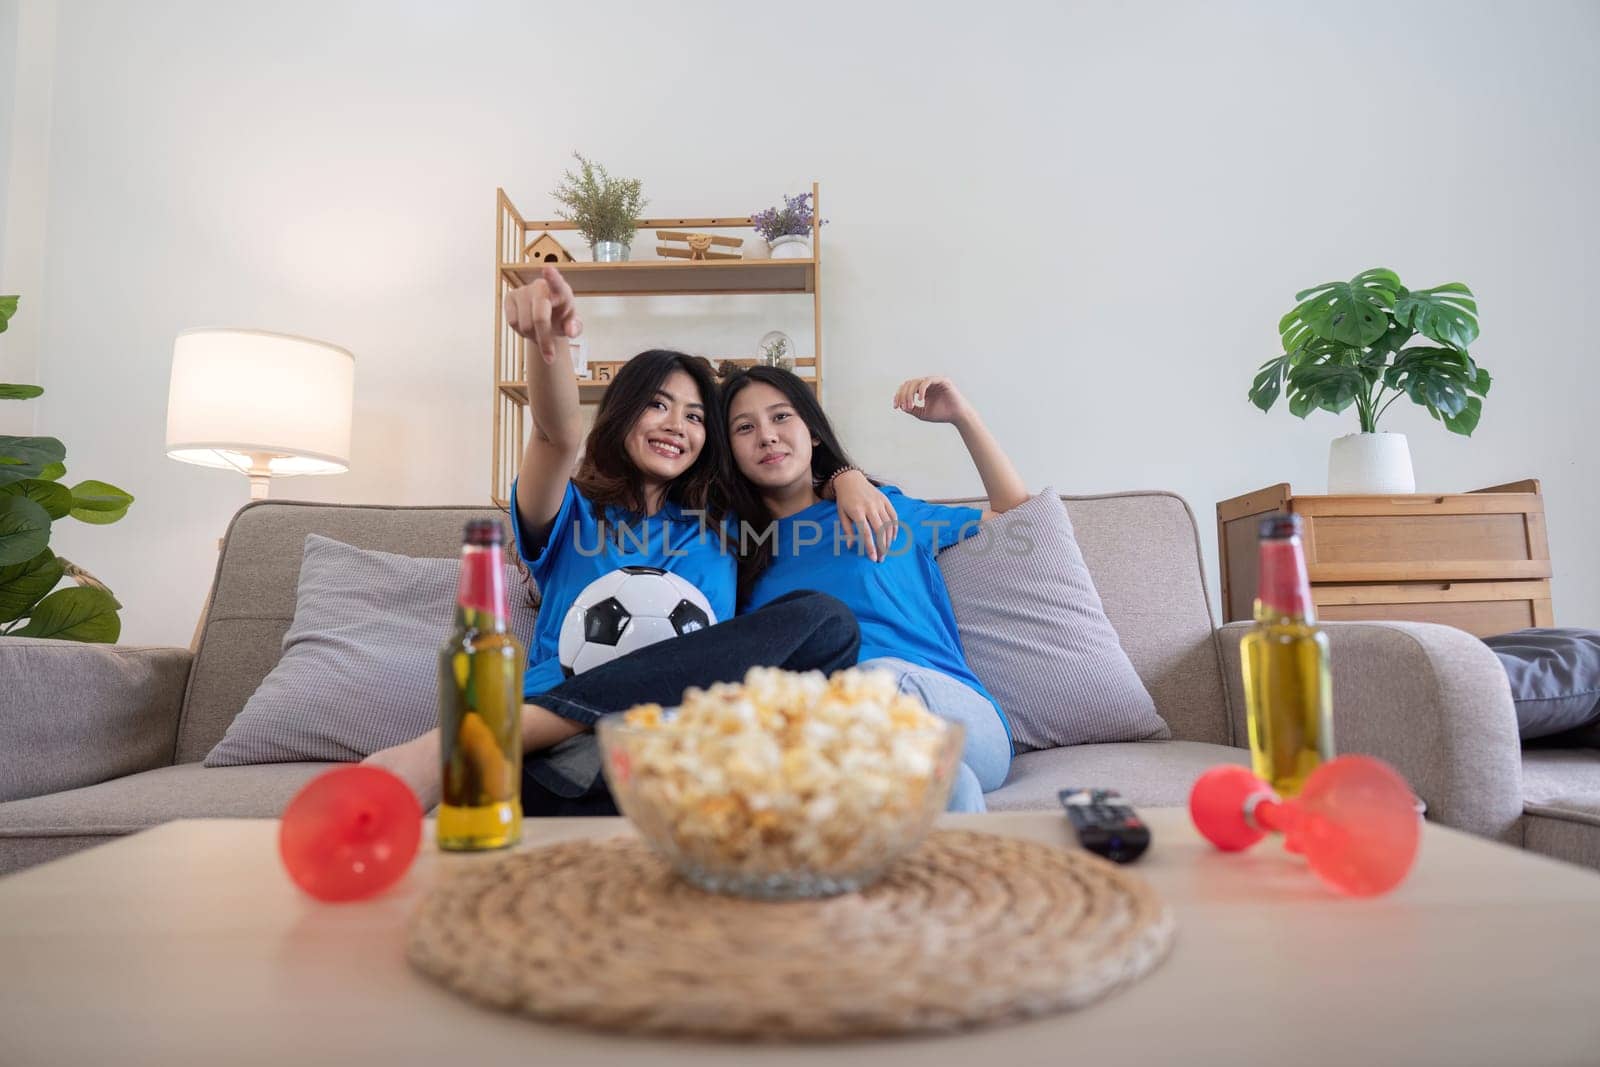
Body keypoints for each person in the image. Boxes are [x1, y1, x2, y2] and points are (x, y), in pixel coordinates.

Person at [367, 266, 887, 815]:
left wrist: (845, 475)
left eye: (694, 416)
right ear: (622, 412)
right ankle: (488, 740)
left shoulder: (725, 521)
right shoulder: (571, 513)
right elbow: (555, 434)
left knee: (826, 621)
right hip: (556, 756)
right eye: (657, 405)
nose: (676, 426)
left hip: (673, 743)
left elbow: (790, 464)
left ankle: (496, 736)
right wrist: (551, 343)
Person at [721, 365, 1030, 812]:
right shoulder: (737, 549)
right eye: (745, 428)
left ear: (813, 433)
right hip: (840, 743)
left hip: (951, 716)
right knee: (941, 781)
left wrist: (962, 416)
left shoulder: (887, 511)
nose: (766, 436)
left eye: (781, 417)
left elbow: (1015, 519)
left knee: (868, 683)